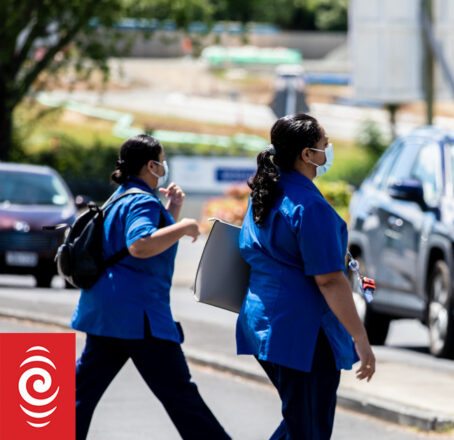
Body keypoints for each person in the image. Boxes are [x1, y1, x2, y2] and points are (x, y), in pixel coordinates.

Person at [71, 134, 230, 439]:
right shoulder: (143, 200)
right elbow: (140, 245)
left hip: (108, 310)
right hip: (139, 316)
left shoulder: (121, 196)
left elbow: (144, 243)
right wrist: (183, 226)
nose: (164, 167)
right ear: (151, 166)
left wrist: (173, 210)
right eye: (161, 160)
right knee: (182, 397)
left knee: (81, 394)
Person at [237, 114, 376, 440]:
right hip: (302, 332)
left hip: (263, 324)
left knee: (300, 422)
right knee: (309, 427)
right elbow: (329, 280)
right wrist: (360, 338)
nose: (328, 150)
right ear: (307, 154)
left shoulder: (264, 193)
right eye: (325, 144)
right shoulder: (309, 206)